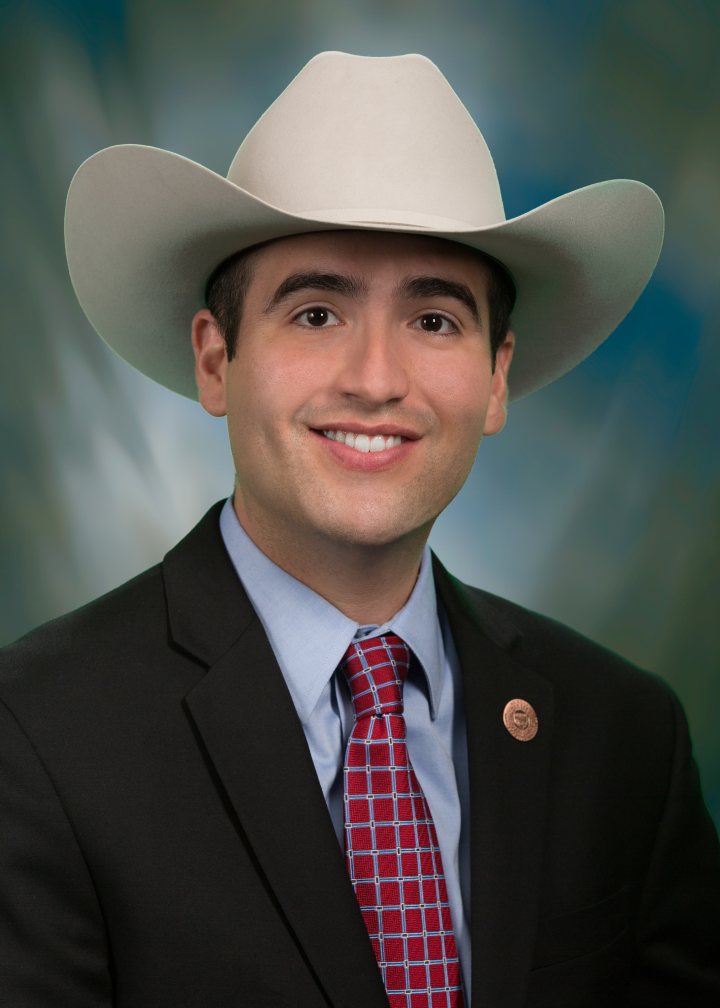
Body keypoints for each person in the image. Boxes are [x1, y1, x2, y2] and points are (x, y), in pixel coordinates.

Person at [1, 51, 718, 1008]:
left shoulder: (624, 737)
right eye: (316, 311)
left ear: (497, 376)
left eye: (433, 319)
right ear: (217, 361)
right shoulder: (38, 737)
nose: (377, 378)